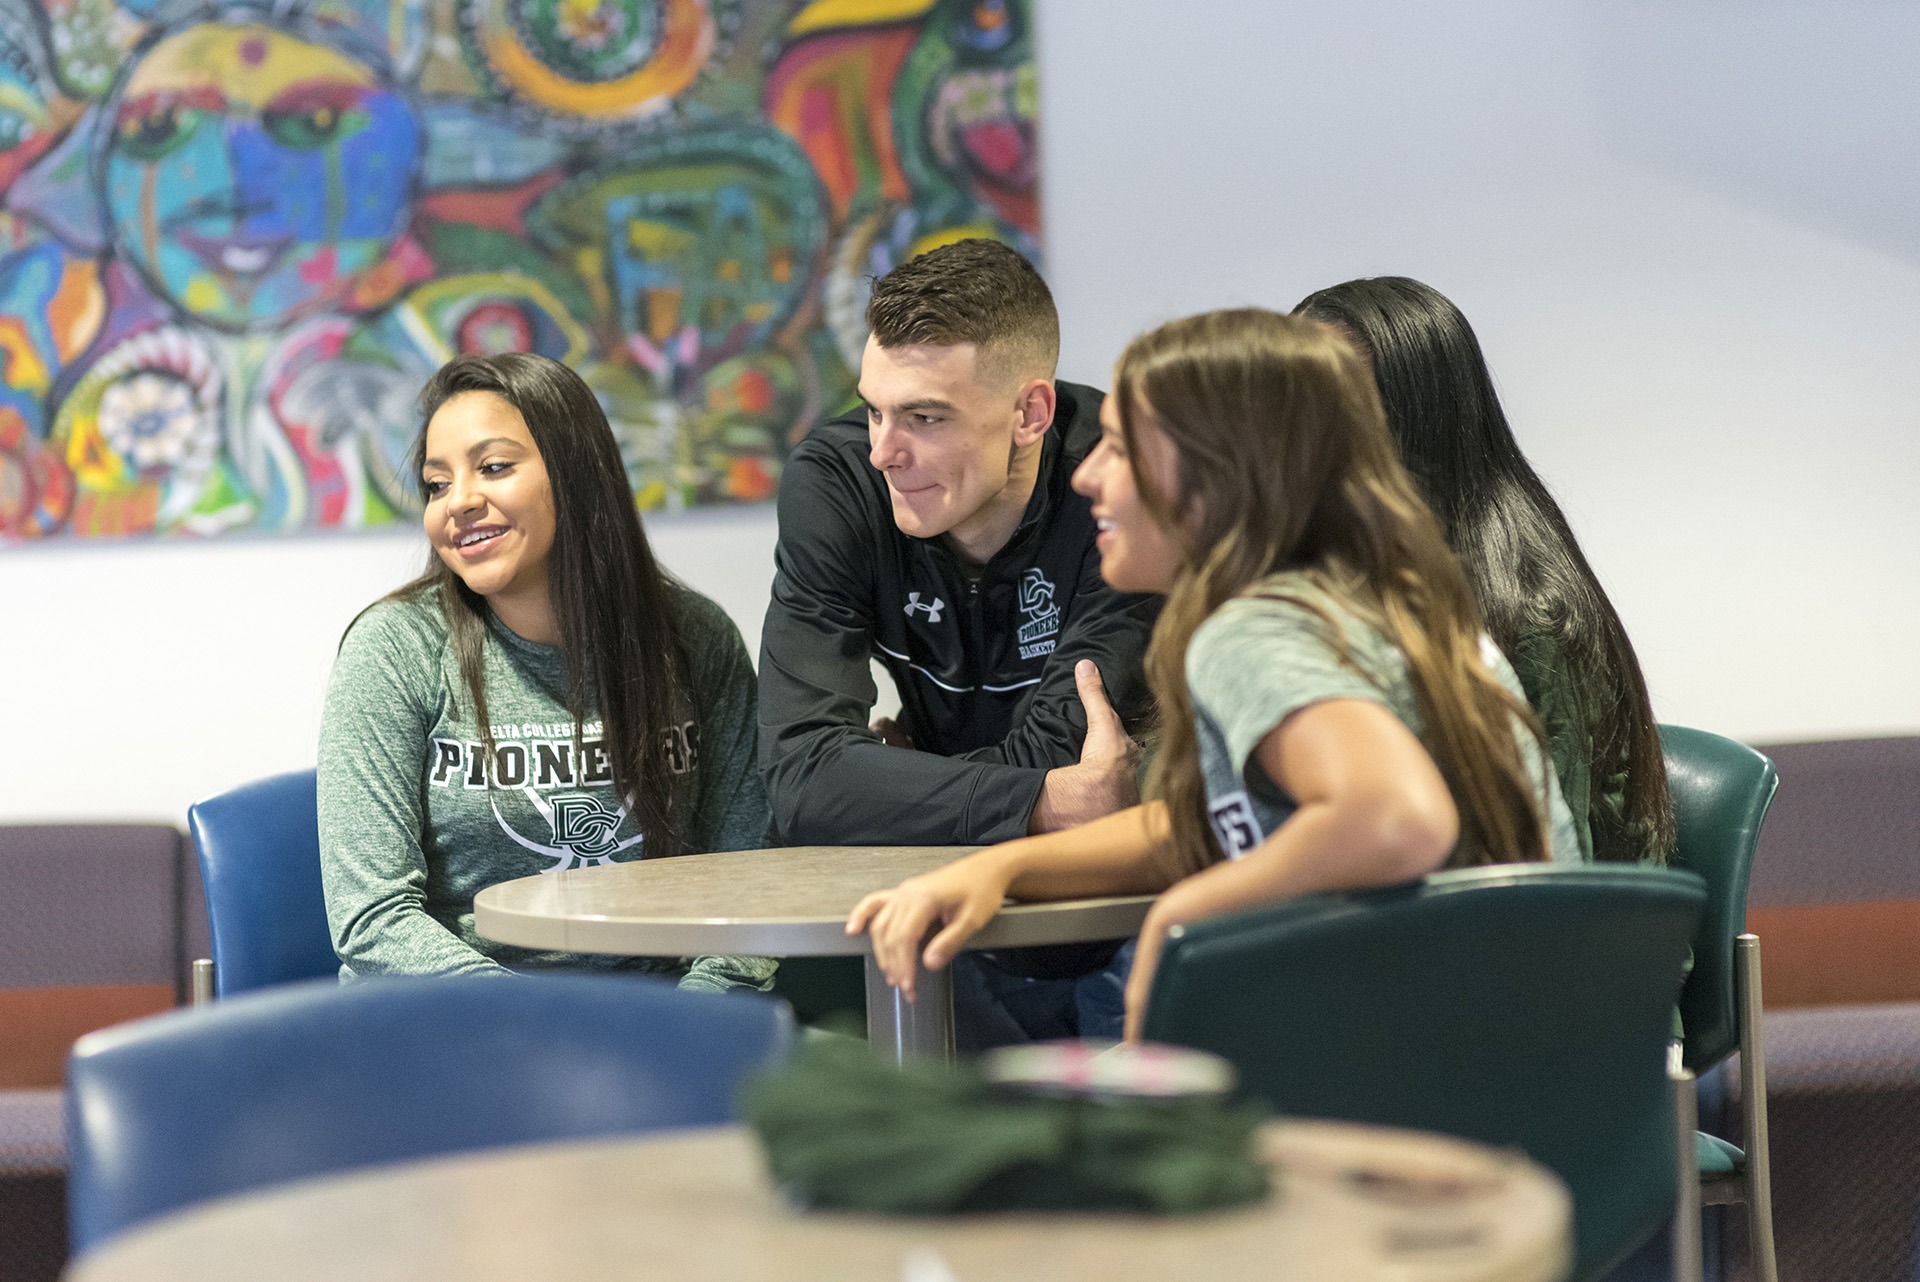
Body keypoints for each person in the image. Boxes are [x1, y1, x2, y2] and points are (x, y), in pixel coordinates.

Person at [847, 309, 1581, 1038]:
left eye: (1119, 449)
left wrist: (1183, 917)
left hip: (1425, 1089)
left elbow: (1394, 819)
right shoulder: (1383, 602)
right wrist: (1004, 870)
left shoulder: (1256, 629)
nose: (1088, 478)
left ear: (1219, 474)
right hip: (1539, 1064)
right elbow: (1211, 826)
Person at [757, 238, 1159, 1044]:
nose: (884, 452)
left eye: (925, 418)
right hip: (941, 926)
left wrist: (887, 785)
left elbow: (1059, 748)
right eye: (873, 408)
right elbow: (798, 777)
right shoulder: (836, 482)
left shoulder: (1119, 483)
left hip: (1117, 929)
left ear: (1030, 413)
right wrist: (1040, 802)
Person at [318, 352, 775, 991]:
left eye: (494, 467)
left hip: (668, 1018)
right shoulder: (395, 650)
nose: (460, 502)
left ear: (577, 475)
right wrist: (543, 1032)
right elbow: (373, 919)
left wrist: (697, 1022)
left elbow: (748, 874)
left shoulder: (695, 638)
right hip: (466, 1021)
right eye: (437, 483)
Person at [1294, 277, 1674, 864]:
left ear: (1413, 422)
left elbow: (1539, 872)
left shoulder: (1529, 612)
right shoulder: (1332, 576)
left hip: (1565, 942)